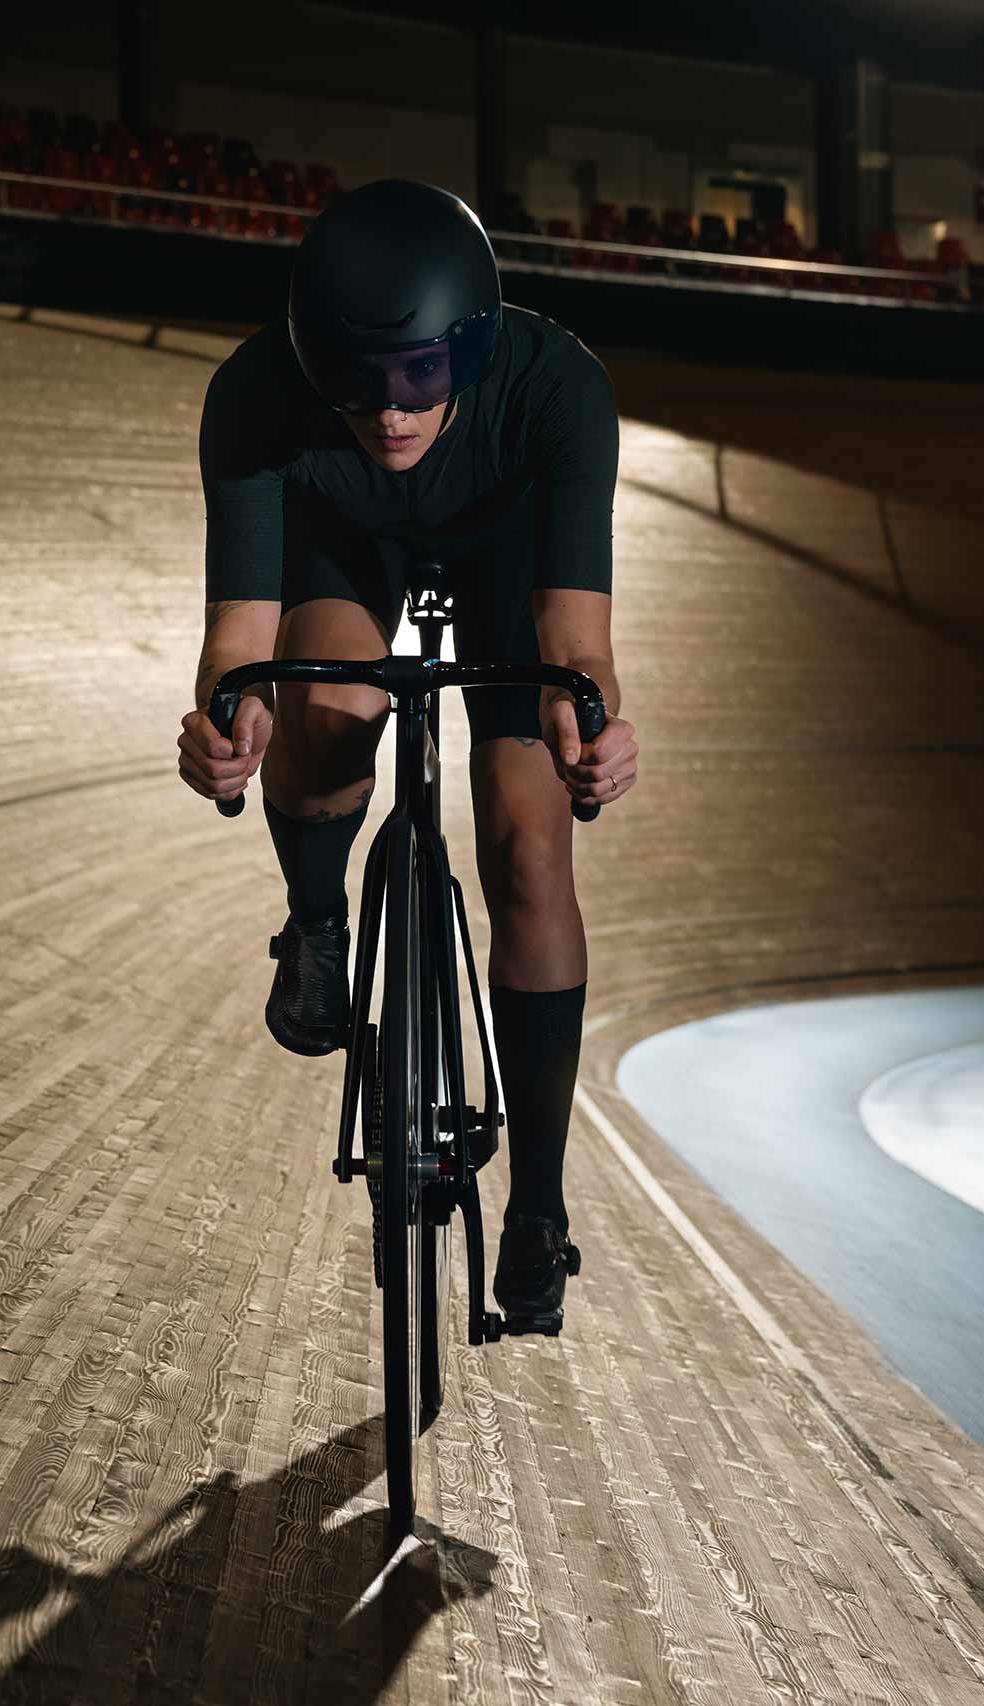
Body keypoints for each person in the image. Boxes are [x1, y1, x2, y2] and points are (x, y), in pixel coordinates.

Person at [174, 177, 637, 1333]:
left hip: (507, 558)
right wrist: (225, 727)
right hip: (343, 552)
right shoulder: (253, 394)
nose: (389, 413)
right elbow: (239, 642)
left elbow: (576, 642)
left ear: (471, 349)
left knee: (528, 847)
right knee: (328, 700)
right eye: (356, 380)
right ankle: (316, 919)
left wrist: (594, 733)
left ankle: (538, 1205)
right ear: (308, 360)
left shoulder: (559, 386)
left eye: (422, 375)